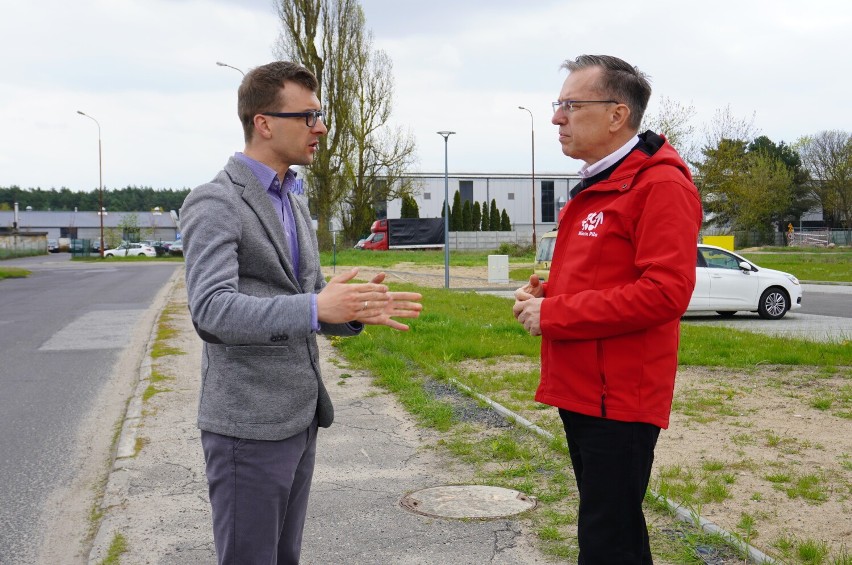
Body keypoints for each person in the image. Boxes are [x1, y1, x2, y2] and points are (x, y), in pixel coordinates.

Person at [181, 61, 423, 565]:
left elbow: (307, 294)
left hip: (298, 417)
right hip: (247, 423)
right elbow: (211, 312)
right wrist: (316, 306)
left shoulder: (291, 199)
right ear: (264, 122)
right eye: (308, 115)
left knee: (283, 556)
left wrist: (349, 310)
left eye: (321, 113)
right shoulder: (216, 201)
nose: (321, 127)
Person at [513, 55, 702, 564]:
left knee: (607, 535)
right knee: (611, 528)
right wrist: (549, 296)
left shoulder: (659, 185)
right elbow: (607, 279)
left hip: (617, 397)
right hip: (585, 389)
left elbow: (665, 293)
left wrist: (555, 316)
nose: (558, 118)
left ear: (617, 115)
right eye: (558, 106)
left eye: (571, 105)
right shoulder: (603, 182)